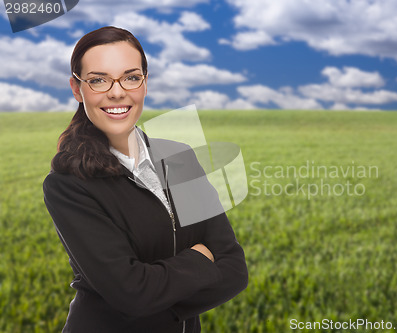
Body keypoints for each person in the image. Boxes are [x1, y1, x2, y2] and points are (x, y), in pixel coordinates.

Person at [43, 26, 248, 333]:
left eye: (131, 77)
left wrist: (155, 301)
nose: (117, 91)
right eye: (98, 80)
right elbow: (132, 294)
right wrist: (200, 259)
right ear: (77, 89)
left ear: (145, 83)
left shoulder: (180, 158)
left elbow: (234, 268)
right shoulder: (68, 185)